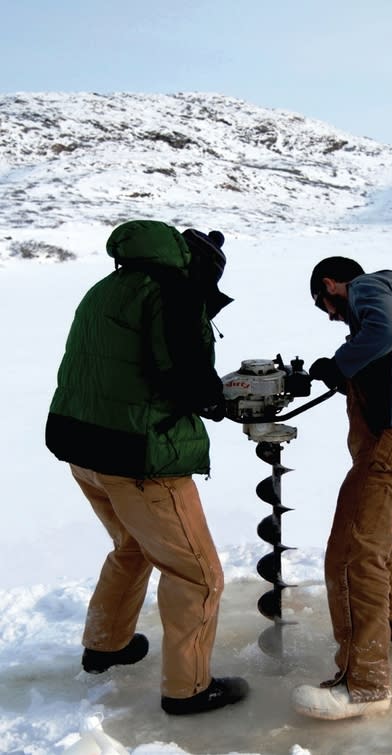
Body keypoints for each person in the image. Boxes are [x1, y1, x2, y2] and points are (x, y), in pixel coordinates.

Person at [45, 219, 249, 715]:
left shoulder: (109, 287)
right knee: (197, 574)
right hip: (140, 458)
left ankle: (106, 643)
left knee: (131, 547)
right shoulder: (173, 293)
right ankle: (189, 689)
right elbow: (182, 375)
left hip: (82, 446)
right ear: (195, 265)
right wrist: (216, 400)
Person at [291, 256, 392, 721]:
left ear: (331, 285)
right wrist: (337, 374)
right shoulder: (388, 299)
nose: (333, 316)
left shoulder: (370, 288)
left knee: (354, 552)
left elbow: (383, 331)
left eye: (325, 306)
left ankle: (365, 684)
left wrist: (340, 366)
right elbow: (383, 351)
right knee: (372, 538)